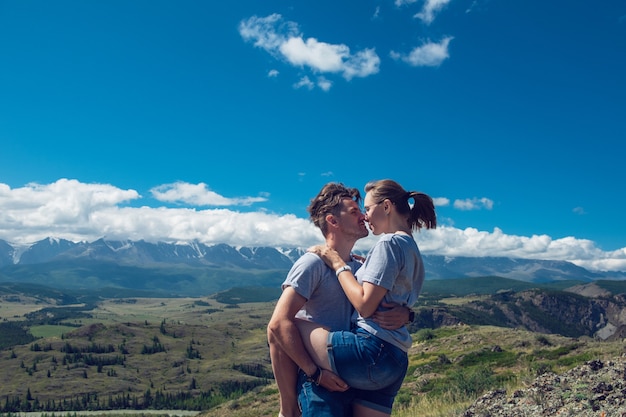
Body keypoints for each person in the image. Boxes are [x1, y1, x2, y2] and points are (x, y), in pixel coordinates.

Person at [267, 182, 411, 417]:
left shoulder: (359, 267)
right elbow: (278, 325)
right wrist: (315, 374)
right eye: (354, 212)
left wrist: (408, 314)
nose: (364, 216)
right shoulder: (312, 264)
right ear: (333, 221)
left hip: (352, 373)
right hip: (318, 381)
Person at [301, 179, 436, 417]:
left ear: (386, 207)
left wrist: (337, 263)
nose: (365, 216)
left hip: (371, 350)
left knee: (290, 323)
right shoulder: (410, 247)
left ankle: (288, 409)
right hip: (396, 359)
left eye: (368, 209)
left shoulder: (389, 242)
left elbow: (365, 305)